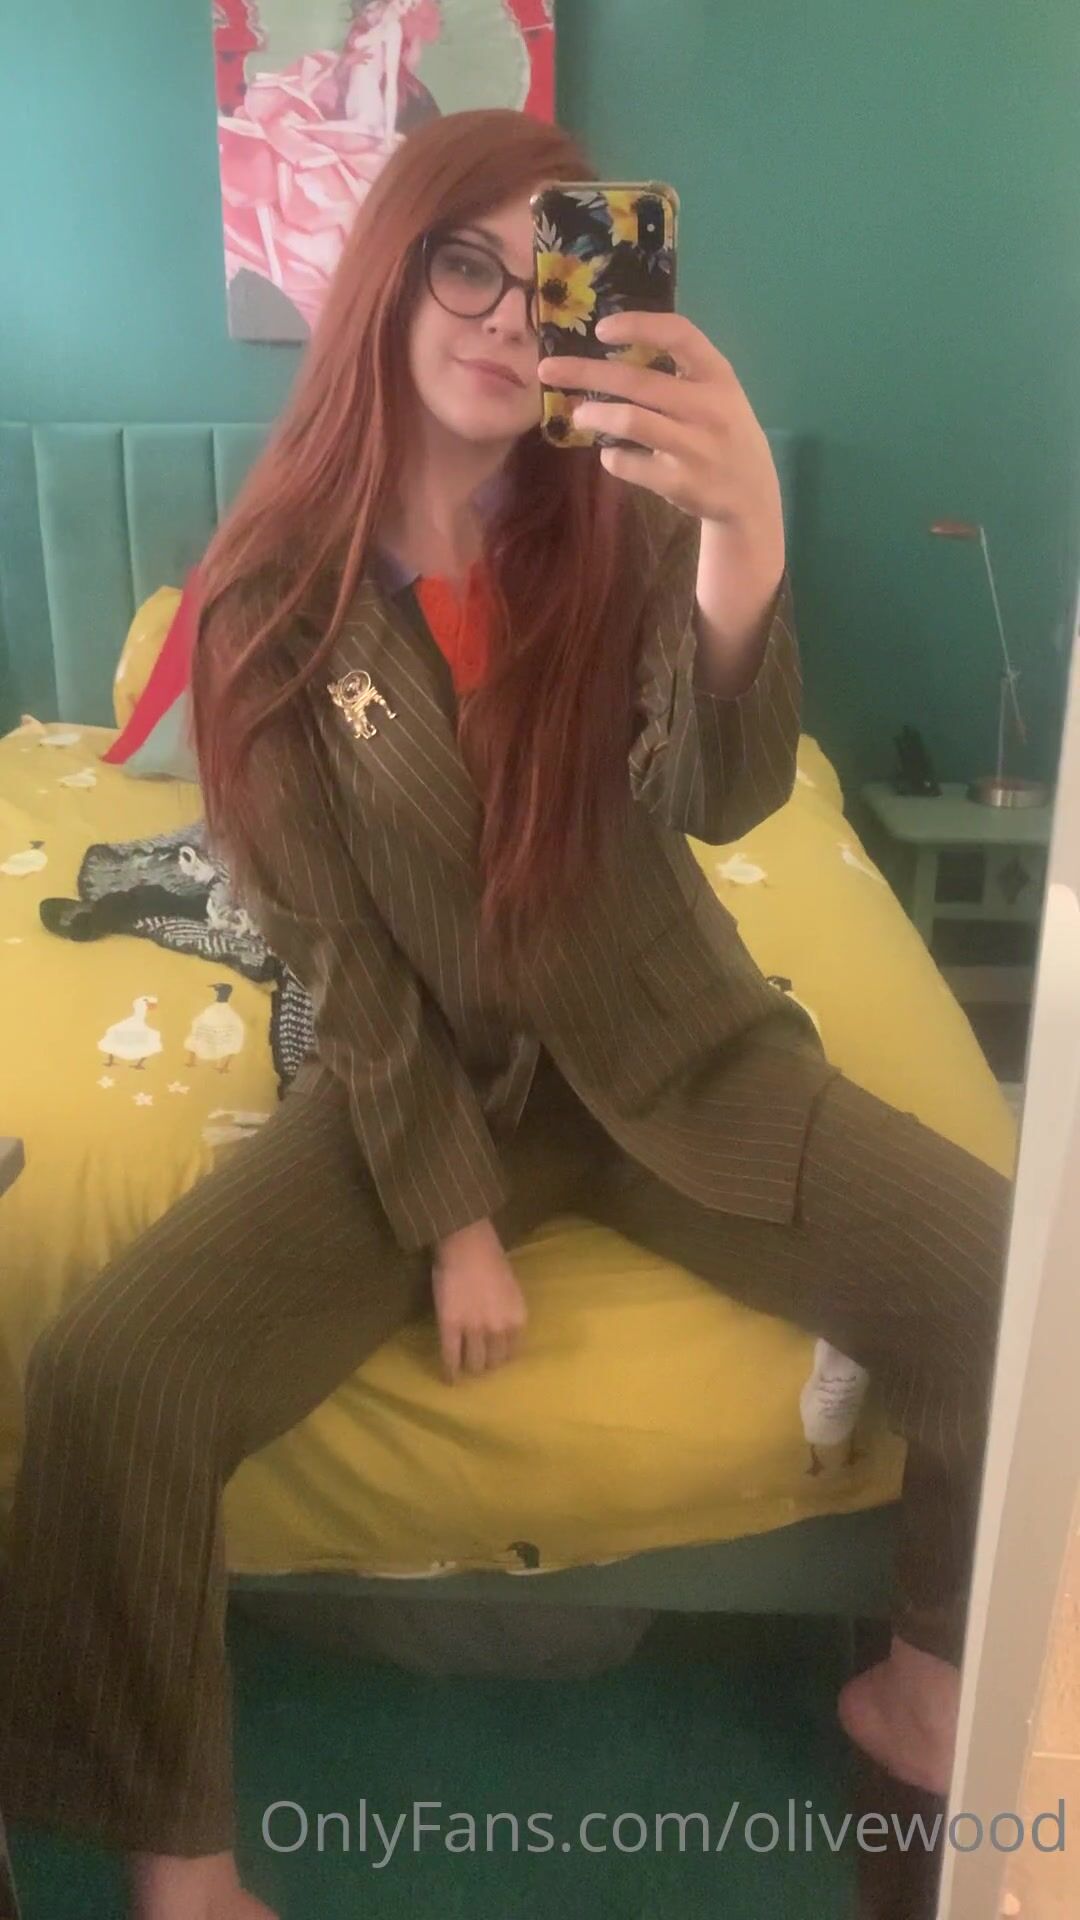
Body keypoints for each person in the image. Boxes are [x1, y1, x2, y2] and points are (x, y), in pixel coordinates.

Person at [0, 108, 1011, 1920]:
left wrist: (745, 539)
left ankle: (924, 1679)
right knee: (111, 1377)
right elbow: (334, 951)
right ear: (389, 284)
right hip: (430, 1076)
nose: (496, 311)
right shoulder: (268, 606)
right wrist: (454, 1214)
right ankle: (181, 1867)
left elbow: (724, 797)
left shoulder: (624, 518)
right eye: (460, 261)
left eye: (542, 272)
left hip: (678, 1043)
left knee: (1017, 1291)